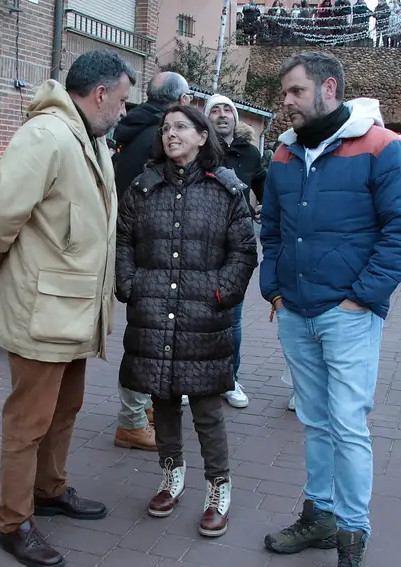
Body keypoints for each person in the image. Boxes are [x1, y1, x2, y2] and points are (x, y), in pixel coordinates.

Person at [0, 50, 135, 567]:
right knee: (28, 421)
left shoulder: (92, 138)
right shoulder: (46, 135)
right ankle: (14, 522)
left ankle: (50, 489)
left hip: (74, 311)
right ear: (101, 94)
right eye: (124, 101)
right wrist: (7, 268)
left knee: (64, 410)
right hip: (43, 310)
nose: (125, 112)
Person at [260, 53, 401, 567]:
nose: (286, 102)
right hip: (296, 310)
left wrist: (361, 297)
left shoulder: (383, 148)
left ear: (328, 88)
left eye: (295, 92)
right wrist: (274, 288)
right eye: (284, 93)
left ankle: (353, 533)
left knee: (348, 423)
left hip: (347, 313)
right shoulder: (284, 156)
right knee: (314, 419)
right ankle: (320, 516)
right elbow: (271, 230)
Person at [117, 104, 257, 537]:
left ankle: (218, 488)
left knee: (206, 407)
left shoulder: (226, 189)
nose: (170, 133)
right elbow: (123, 240)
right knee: (162, 399)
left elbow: (243, 250)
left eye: (181, 127)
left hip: (203, 315)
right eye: (165, 128)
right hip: (154, 310)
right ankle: (170, 475)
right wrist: (131, 286)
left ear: (201, 136)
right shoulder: (143, 188)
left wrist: (221, 294)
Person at [111, 71, 192, 452]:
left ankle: (142, 412)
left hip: (142, 253)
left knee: (149, 338)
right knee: (146, 340)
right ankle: (132, 420)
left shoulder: (133, 130)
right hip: (148, 255)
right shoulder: (157, 139)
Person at [205, 94, 267, 410]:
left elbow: (266, 190)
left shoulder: (250, 154)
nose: (222, 114)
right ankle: (195, 379)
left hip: (236, 248)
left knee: (233, 319)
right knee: (197, 316)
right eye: (214, 110)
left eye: (227, 109)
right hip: (199, 245)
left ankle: (230, 379)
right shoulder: (198, 150)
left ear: (235, 117)